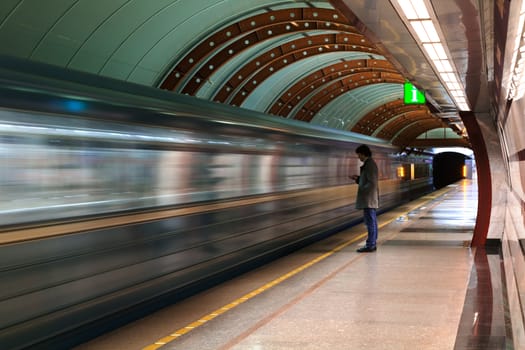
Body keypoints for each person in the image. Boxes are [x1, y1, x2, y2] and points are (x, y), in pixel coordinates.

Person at [350, 144, 379, 252]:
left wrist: (363, 190)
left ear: (363, 154)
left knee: (370, 222)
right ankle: (372, 243)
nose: (359, 157)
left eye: (359, 155)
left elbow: (372, 183)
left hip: (368, 199)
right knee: (371, 221)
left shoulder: (370, 164)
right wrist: (358, 179)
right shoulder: (369, 164)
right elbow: (367, 180)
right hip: (369, 199)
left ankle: (370, 244)